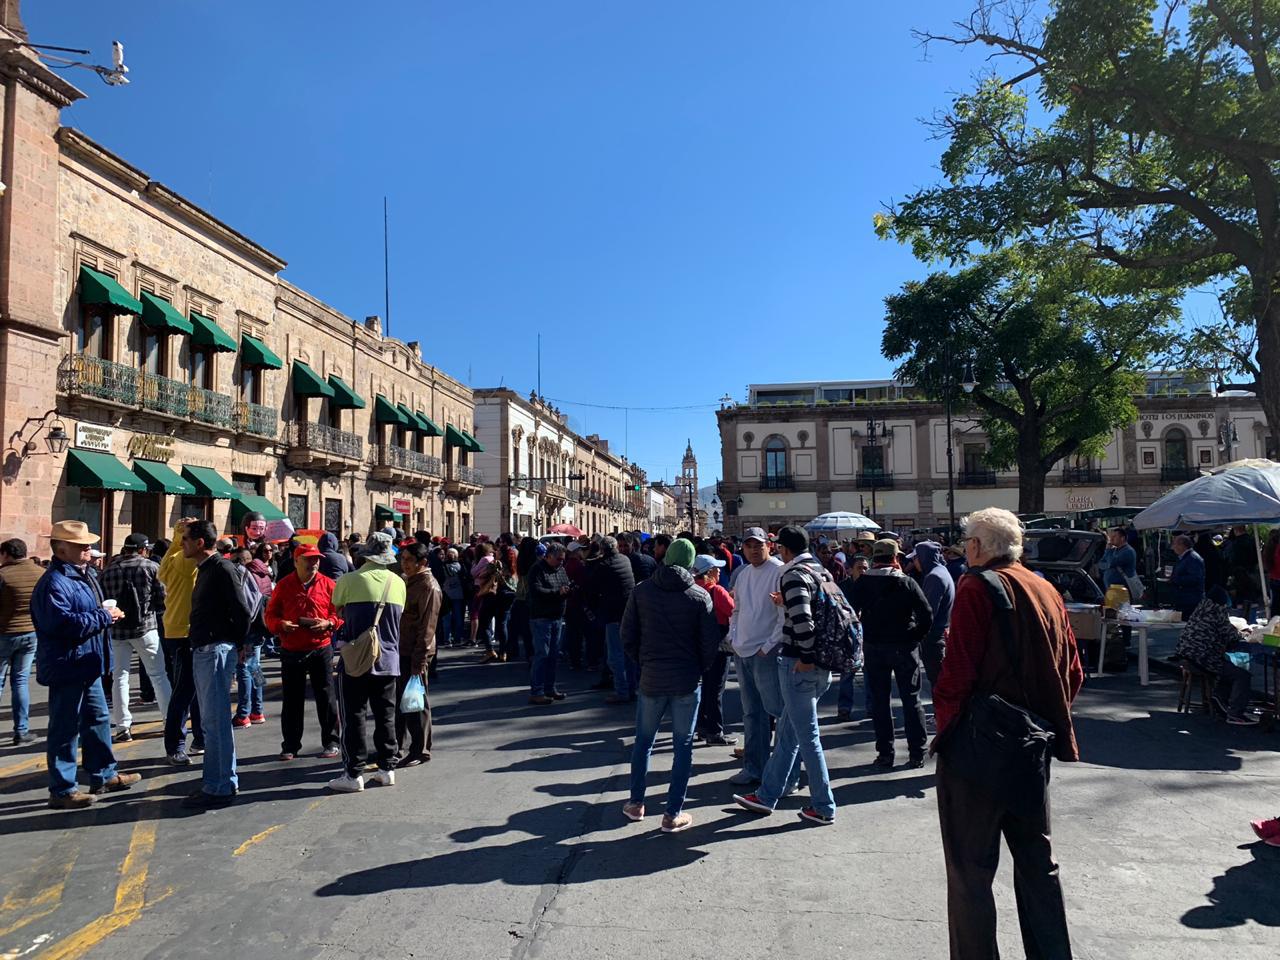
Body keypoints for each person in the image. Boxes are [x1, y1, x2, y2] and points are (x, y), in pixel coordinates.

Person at [932, 507, 1083, 959]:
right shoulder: (1046, 587)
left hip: (979, 748)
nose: (965, 551)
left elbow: (957, 669)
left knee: (970, 871)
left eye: (967, 544)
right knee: (1039, 864)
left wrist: (946, 726)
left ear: (978, 547)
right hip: (1031, 744)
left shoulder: (977, 587)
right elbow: (1072, 671)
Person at [31, 521, 141, 809]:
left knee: (97, 720)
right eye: (82, 546)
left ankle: (103, 773)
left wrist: (104, 614)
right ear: (62, 548)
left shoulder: (83, 574)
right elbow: (63, 624)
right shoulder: (55, 582)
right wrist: (105, 617)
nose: (88, 550)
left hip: (86, 662)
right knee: (65, 728)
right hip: (68, 664)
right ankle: (63, 789)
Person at [734, 524, 837, 825]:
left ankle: (823, 805)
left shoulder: (791, 574)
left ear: (783, 549)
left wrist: (804, 657)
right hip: (820, 666)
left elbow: (804, 622)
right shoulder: (821, 571)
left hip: (800, 666)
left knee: (807, 738)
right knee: (790, 736)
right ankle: (767, 795)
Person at [620, 538, 718, 833]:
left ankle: (636, 803)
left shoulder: (641, 591)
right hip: (687, 680)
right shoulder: (700, 596)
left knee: (643, 742)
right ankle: (672, 813)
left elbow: (627, 634)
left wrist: (644, 660)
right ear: (690, 563)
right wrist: (698, 667)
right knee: (683, 745)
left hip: (652, 676)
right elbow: (709, 643)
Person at [329, 533, 407, 793]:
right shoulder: (399, 583)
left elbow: (338, 610)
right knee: (386, 715)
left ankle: (353, 773)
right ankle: (387, 769)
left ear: (365, 555)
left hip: (357, 659)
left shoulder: (348, 580)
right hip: (389, 658)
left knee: (353, 716)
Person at [183, 520, 252, 809]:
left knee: (215, 721)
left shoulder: (221, 569)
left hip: (214, 650)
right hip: (207, 649)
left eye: (186, 538)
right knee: (212, 721)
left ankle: (220, 785)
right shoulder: (207, 569)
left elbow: (242, 609)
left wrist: (237, 645)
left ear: (200, 542)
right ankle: (218, 781)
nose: (182, 543)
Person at [847, 539, 933, 768]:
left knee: (880, 701)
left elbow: (850, 614)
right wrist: (915, 635)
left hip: (874, 647)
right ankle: (917, 753)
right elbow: (926, 614)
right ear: (896, 558)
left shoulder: (863, 582)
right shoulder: (907, 582)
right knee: (912, 699)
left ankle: (885, 752)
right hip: (904, 646)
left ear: (874, 558)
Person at [265, 544, 341, 761]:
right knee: (291, 700)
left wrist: (329, 623)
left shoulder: (328, 584)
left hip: (320, 647)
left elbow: (339, 613)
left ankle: (331, 741)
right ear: (297, 561)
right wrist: (281, 625)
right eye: (308, 559)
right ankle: (290, 744)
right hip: (292, 649)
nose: (314, 563)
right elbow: (270, 615)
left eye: (316, 559)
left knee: (326, 697)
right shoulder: (284, 585)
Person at [727, 527, 786, 787]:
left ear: (769, 545)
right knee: (751, 714)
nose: (753, 549)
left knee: (778, 711)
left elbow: (784, 615)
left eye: (758, 544)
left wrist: (769, 645)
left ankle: (783, 770)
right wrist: (733, 636)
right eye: (749, 544)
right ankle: (754, 768)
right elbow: (736, 609)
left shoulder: (779, 571)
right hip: (743, 651)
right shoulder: (742, 574)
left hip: (767, 652)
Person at [99, 532, 170, 743]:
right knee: (158, 675)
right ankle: (169, 719)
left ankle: (123, 726)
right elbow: (162, 598)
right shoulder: (150, 567)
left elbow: (101, 599)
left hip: (117, 630)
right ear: (142, 549)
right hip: (145, 628)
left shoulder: (108, 570)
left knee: (120, 677)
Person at [1172, 585, 1257, 724]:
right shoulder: (1218, 610)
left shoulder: (1202, 608)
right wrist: (1245, 632)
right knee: (1242, 675)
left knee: (1227, 667)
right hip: (1201, 659)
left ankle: (1219, 697)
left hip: (1185, 655)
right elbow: (1231, 635)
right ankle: (1235, 713)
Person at [159, 519, 203, 765]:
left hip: (176, 628)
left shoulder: (171, 557)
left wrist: (178, 538)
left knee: (189, 691)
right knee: (187, 692)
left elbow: (161, 573)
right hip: (187, 631)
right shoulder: (184, 559)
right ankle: (179, 743)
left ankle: (196, 738)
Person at [396, 541, 440, 767]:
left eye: (409, 560)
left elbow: (427, 627)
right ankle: (398, 745)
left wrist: (419, 658)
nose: (404, 563)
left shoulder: (428, 587)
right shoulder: (408, 581)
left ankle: (420, 749)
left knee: (416, 702)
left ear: (422, 562)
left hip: (416, 650)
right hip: (402, 647)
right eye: (402, 559)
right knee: (402, 701)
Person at [0, 538, 43, 745]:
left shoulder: (2, 574)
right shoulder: (40, 573)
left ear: (6, 554)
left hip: (4, 632)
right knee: (20, 681)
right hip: (30, 632)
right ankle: (21, 730)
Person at [692, 554, 736, 746]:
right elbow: (733, 610)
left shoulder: (693, 589)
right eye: (717, 569)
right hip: (720, 644)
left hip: (700, 644)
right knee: (716, 689)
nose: (720, 571)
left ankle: (701, 726)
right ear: (709, 573)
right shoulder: (716, 590)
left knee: (704, 688)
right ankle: (715, 731)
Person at [589, 536, 637, 704]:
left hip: (613, 614)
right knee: (629, 654)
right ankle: (632, 688)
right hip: (629, 612)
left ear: (603, 550)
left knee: (615, 656)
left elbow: (592, 588)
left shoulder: (604, 565)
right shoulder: (625, 560)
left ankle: (621, 691)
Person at [526, 542, 571, 705]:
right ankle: (536, 691)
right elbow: (536, 591)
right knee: (542, 654)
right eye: (558, 559)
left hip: (557, 616)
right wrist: (556, 593)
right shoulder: (537, 569)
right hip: (541, 617)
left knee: (553, 655)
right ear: (549, 556)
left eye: (563, 559)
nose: (561, 562)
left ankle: (549, 687)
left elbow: (565, 582)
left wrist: (567, 591)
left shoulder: (561, 569)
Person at [232, 548, 273, 726]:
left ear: (241, 561)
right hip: (261, 626)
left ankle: (243, 713)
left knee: (244, 670)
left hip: (248, 628)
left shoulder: (244, 576)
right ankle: (258, 710)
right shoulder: (264, 573)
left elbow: (244, 606)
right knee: (255, 667)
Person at [910, 540, 954, 690]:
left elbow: (928, 611)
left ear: (922, 557)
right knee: (939, 680)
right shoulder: (941, 571)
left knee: (938, 682)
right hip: (939, 633)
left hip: (933, 637)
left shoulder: (934, 577)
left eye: (915, 558)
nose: (914, 562)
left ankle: (943, 713)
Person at [834, 554, 870, 720]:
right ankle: (844, 707)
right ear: (850, 570)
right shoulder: (842, 587)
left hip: (869, 635)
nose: (862, 571)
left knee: (870, 673)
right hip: (848, 636)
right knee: (847, 674)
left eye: (865, 568)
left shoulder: (872, 585)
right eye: (859, 568)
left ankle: (871, 707)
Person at [1172, 534, 1207, 620]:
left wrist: (1176, 579)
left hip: (1191, 600)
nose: (1173, 547)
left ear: (1182, 545)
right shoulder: (1186, 557)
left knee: (1189, 625)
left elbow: (1195, 578)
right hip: (1185, 599)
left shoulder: (1192, 558)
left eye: (1174, 544)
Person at [439, 548, 466, 647]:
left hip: (446, 593)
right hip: (458, 593)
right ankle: (457, 638)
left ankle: (447, 638)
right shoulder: (461, 566)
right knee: (458, 617)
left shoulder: (443, 566)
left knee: (447, 618)